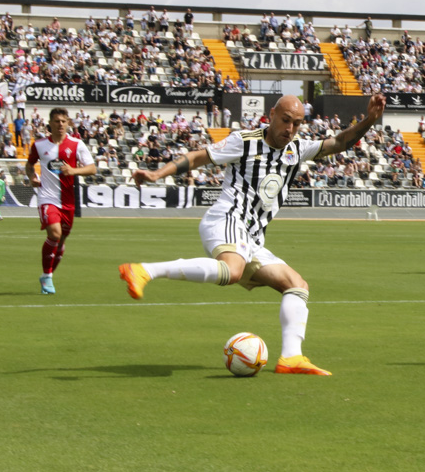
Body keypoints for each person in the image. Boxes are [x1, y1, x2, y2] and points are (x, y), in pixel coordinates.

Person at [118, 94, 387, 376]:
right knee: (232, 271)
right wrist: (158, 174)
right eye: (285, 121)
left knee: (297, 285)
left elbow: (339, 143)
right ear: (271, 114)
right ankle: (143, 270)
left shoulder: (297, 149)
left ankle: (291, 357)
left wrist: (369, 120)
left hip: (251, 237)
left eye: (296, 124)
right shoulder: (244, 140)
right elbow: (200, 157)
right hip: (228, 218)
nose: (290, 129)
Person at [27, 108, 97, 295]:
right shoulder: (40, 145)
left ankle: (47, 276)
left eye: (63, 121)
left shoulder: (76, 144)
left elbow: (92, 169)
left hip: (68, 201)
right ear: (49, 123)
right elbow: (29, 164)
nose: (60, 124)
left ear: (68, 123)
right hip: (47, 197)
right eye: (56, 121)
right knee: (55, 234)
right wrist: (32, 176)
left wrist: (73, 171)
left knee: (62, 239)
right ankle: (47, 276)